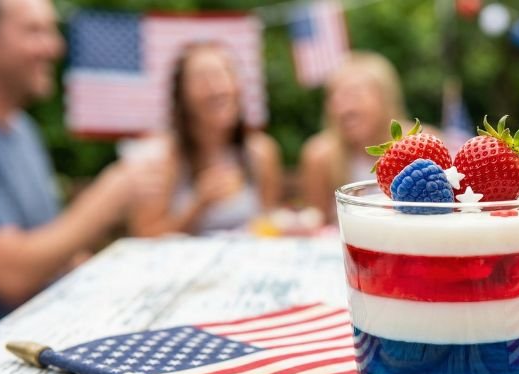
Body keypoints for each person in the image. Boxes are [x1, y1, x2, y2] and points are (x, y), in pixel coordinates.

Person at [0, 0, 137, 328]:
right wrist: (107, 198)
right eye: (34, 30)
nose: (55, 47)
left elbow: (53, 253)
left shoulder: (24, 129)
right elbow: (11, 276)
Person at [128, 43, 282, 236]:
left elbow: (267, 225)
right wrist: (198, 205)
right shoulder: (163, 158)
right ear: (182, 95)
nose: (218, 87)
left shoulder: (262, 152)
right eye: (203, 78)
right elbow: (144, 238)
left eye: (225, 73)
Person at [299, 52, 421, 222]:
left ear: (384, 99)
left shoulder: (419, 144)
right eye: (334, 97)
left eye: (353, 94)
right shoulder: (320, 156)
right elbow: (317, 221)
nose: (342, 107)